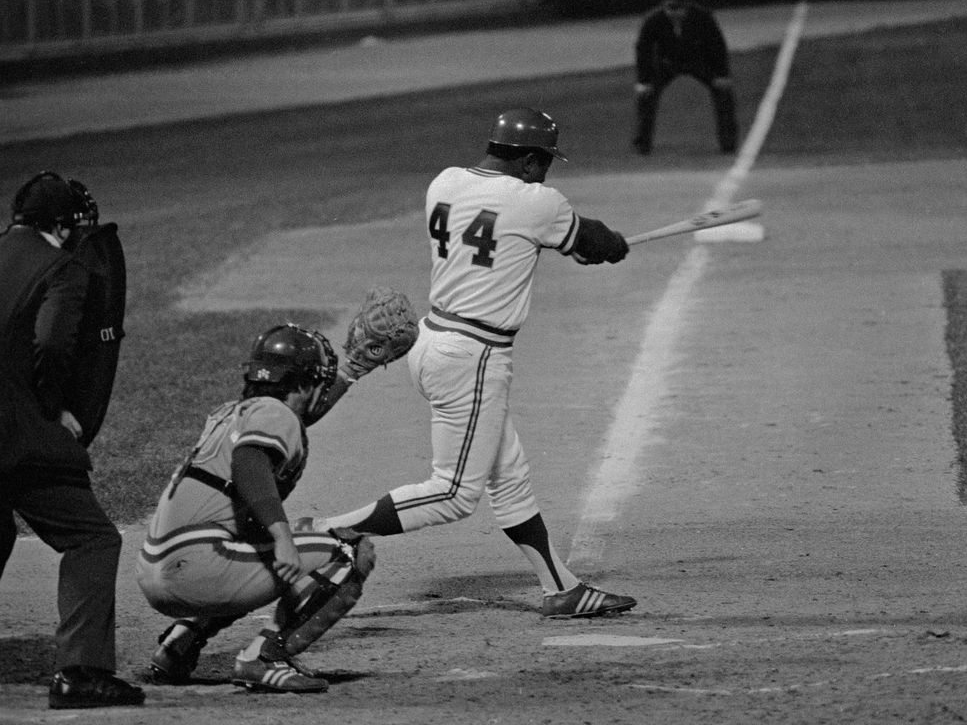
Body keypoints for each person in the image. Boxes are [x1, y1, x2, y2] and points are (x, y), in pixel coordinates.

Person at [312, 107, 637, 619]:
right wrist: (610, 246)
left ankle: (561, 587)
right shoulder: (536, 201)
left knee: (508, 476)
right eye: (545, 162)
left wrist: (574, 245)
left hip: (431, 340)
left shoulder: (444, 182)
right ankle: (325, 531)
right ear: (528, 162)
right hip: (473, 358)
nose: (547, 172)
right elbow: (591, 240)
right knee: (455, 493)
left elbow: (512, 240)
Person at [135, 323, 376, 693]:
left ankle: (176, 647)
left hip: (158, 569)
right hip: (198, 566)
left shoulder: (237, 412)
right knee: (348, 551)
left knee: (266, 536)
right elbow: (249, 463)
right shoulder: (276, 414)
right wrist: (282, 538)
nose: (323, 390)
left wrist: (350, 373)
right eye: (321, 382)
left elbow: (289, 425)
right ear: (303, 383)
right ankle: (264, 657)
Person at [0, 171, 145, 709]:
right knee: (92, 539)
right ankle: (82, 673)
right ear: (60, 225)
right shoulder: (61, 266)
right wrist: (52, 408)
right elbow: (53, 339)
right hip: (15, 432)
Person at [633, 0, 738, 155]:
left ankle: (728, 144)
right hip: (667, 62)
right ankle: (642, 145)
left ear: (687, 6)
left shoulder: (703, 17)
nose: (676, 13)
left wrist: (721, 74)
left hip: (698, 60)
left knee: (724, 92)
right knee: (646, 95)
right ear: (664, 6)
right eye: (671, 8)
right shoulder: (653, 20)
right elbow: (643, 50)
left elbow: (717, 46)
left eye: (679, 8)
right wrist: (643, 81)